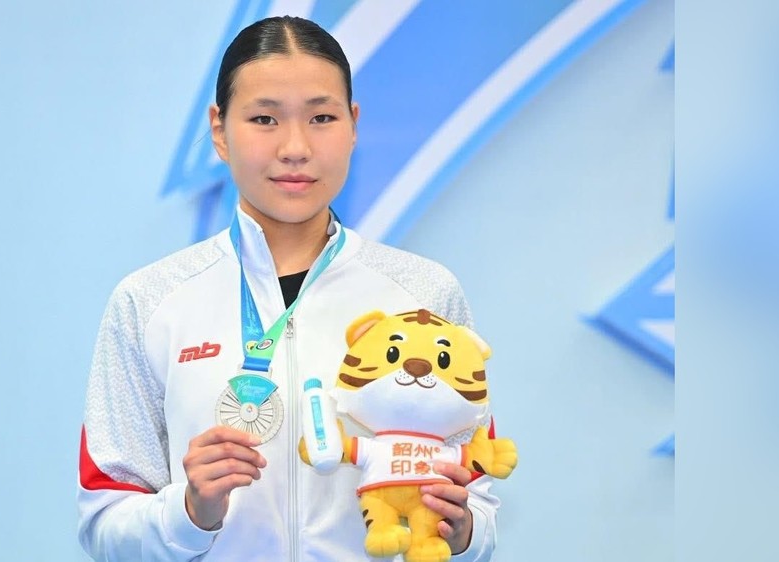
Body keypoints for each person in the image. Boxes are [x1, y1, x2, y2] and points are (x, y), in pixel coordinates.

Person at [78, 15, 501, 562]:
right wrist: (189, 512)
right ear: (219, 130)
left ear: (353, 125)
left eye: (321, 117)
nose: (296, 147)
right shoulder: (149, 301)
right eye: (264, 119)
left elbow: (481, 509)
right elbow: (104, 525)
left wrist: (460, 530)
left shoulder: (424, 294)